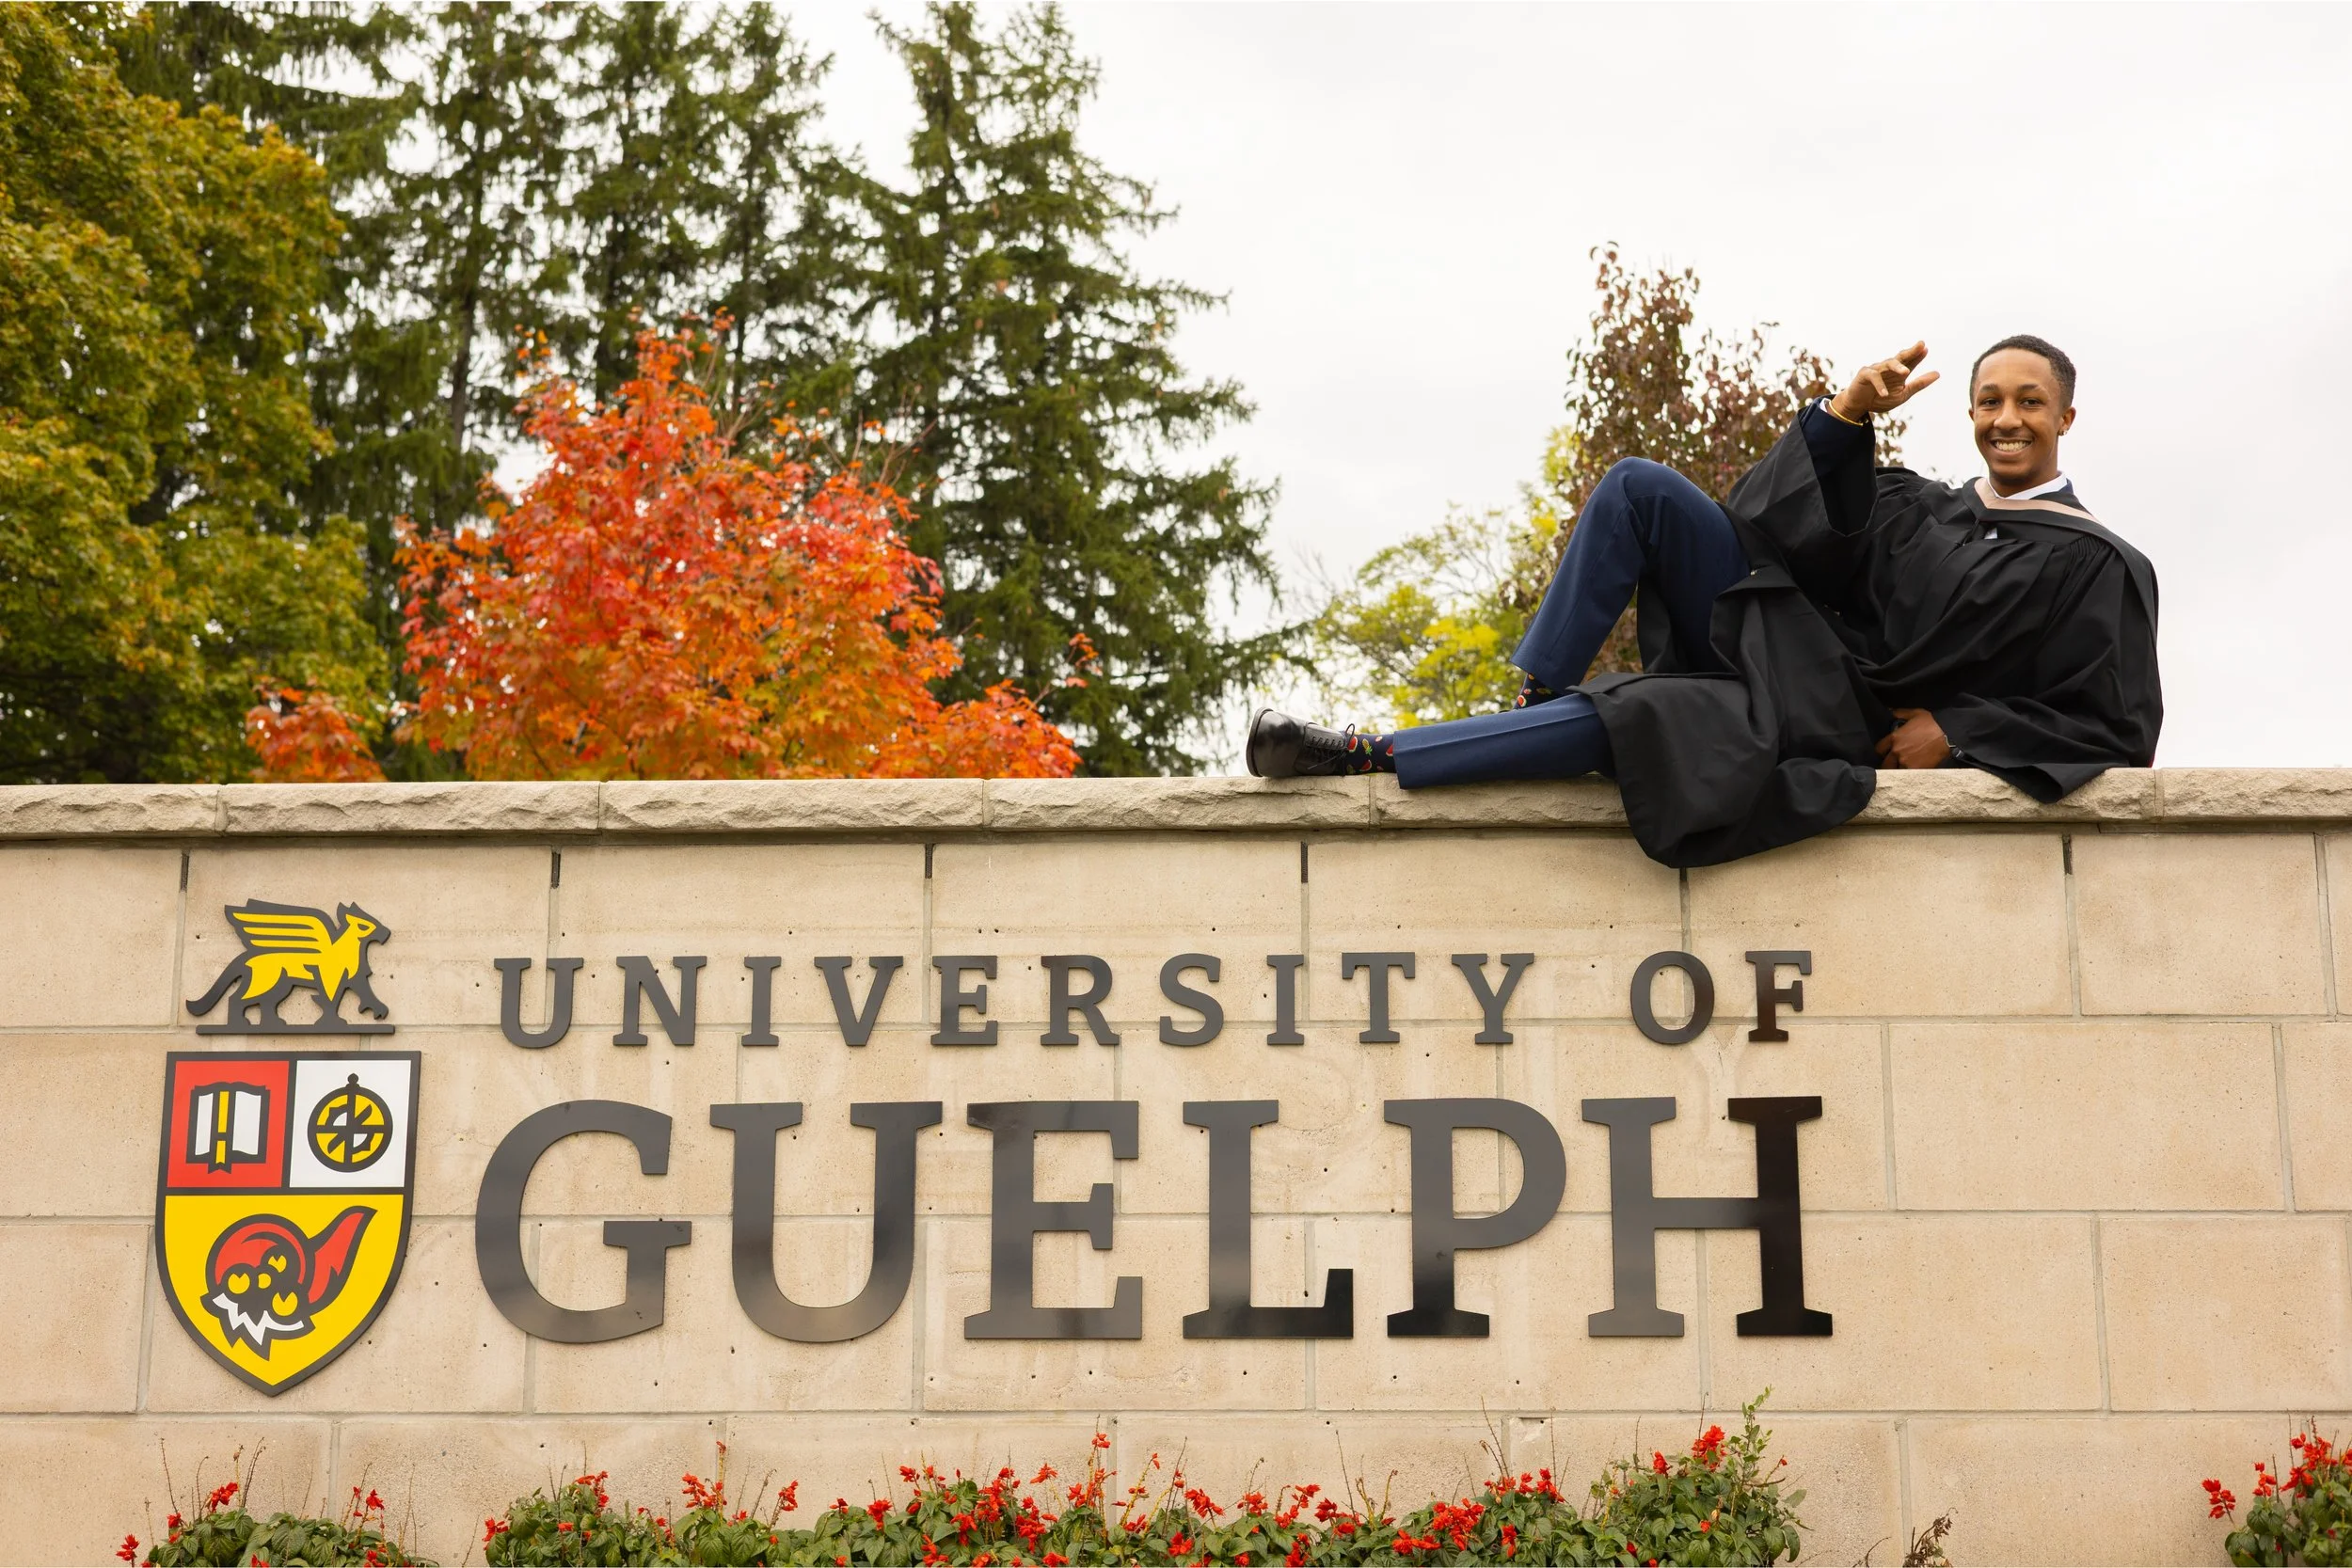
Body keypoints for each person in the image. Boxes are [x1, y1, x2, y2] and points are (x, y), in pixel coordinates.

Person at [1248, 336, 2161, 867]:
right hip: (1795, 646)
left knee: (1636, 711)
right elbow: (1780, 530)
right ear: (1968, 412)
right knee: (1640, 487)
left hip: (1844, 725)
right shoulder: (1922, 505)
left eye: (2029, 402)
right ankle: (1523, 704)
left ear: (2064, 418)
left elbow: (2110, 725)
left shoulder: (2095, 564)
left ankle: (1366, 755)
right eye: (1989, 400)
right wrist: (1842, 418)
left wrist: (1957, 731)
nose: (2006, 418)